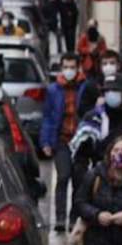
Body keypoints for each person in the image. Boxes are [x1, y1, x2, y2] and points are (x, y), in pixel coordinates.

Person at [39, 55, 92, 232]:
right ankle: (60, 218)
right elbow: (47, 116)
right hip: (61, 140)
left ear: (78, 68)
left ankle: (73, 217)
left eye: (72, 67)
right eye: (66, 67)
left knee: (79, 181)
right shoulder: (54, 90)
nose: (69, 70)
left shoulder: (85, 88)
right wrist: (46, 141)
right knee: (63, 177)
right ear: (61, 69)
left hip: (81, 142)